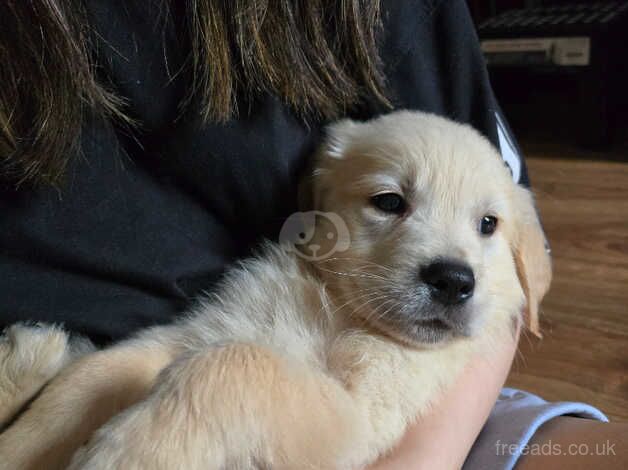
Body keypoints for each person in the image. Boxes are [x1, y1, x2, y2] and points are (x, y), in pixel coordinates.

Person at [1, 1, 623, 468]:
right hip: (67, 368)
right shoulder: (303, 261)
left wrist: (216, 393)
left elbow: (350, 431)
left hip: (428, 437)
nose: (453, 265)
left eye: (486, 226)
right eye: (389, 203)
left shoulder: (393, 27)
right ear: (316, 198)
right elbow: (176, 349)